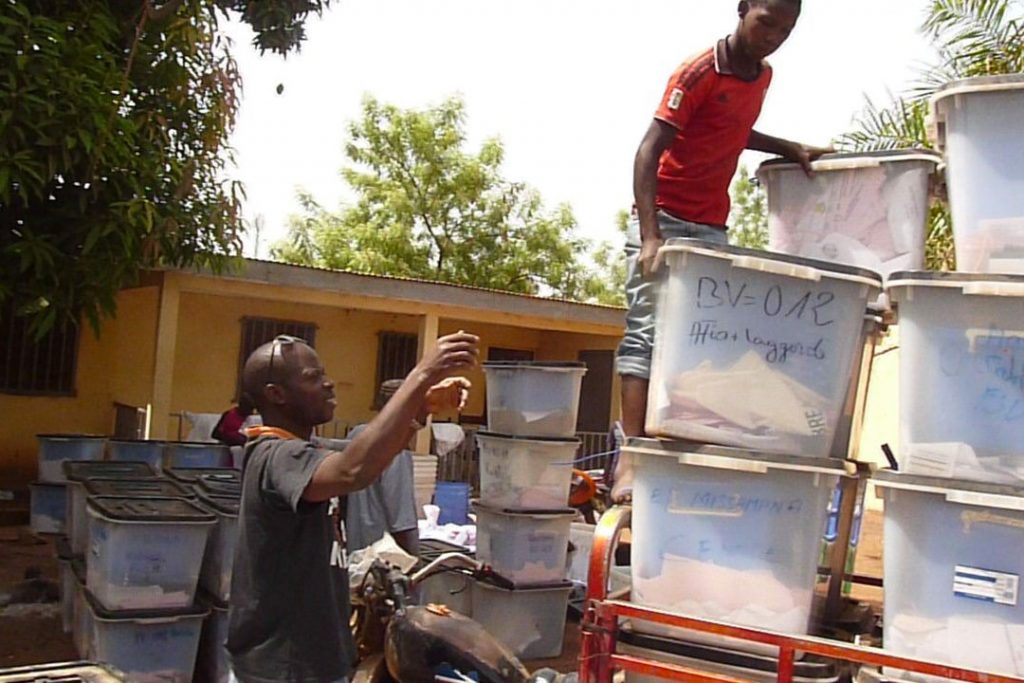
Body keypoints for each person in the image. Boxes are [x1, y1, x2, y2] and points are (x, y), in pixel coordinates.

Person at [613, 0, 829, 501]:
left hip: (712, 227)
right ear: (742, 9)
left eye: (787, 28)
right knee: (647, 331)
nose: (774, 35)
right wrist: (650, 235)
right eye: (766, 22)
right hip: (665, 218)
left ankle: (686, 440)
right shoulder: (697, 72)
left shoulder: (761, 76)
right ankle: (631, 456)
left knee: (702, 341)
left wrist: (788, 148)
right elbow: (648, 150)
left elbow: (730, 128)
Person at [226, 331, 478, 683]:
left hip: (313, 663)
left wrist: (422, 406)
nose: (329, 384)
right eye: (313, 377)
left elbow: (367, 453)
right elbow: (353, 470)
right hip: (282, 669)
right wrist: (421, 375)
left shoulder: (304, 448)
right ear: (276, 395)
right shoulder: (275, 456)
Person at [344, 378, 420, 556]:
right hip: (385, 555)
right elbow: (400, 519)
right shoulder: (396, 447)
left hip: (356, 548)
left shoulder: (356, 435)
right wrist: (415, 564)